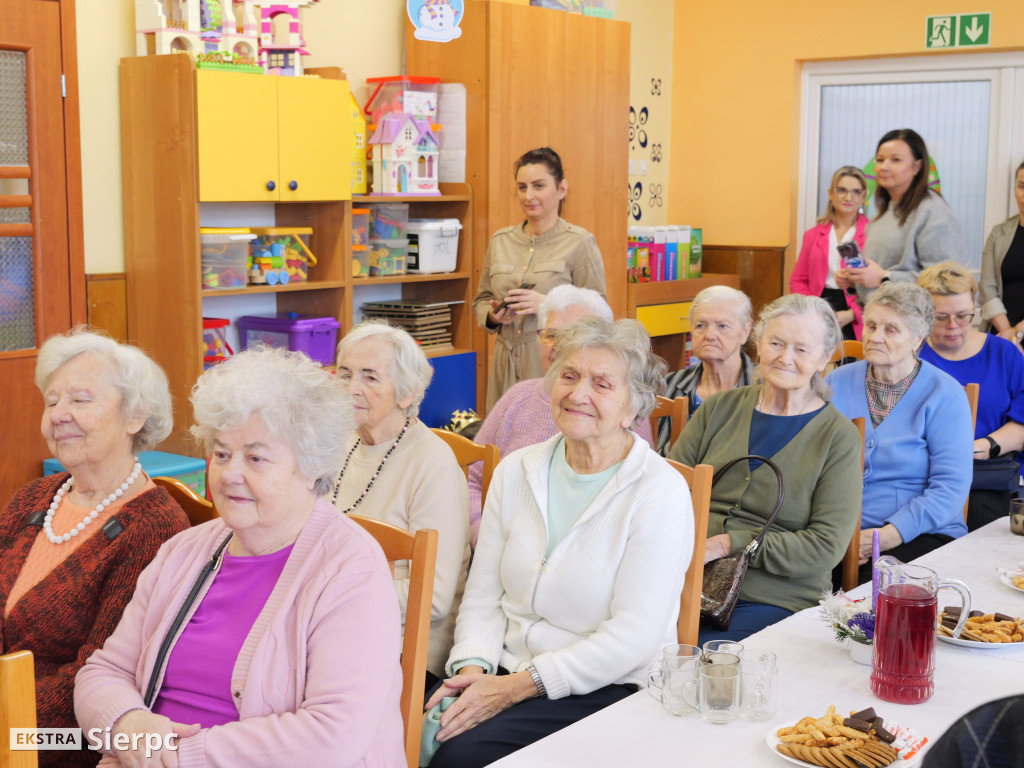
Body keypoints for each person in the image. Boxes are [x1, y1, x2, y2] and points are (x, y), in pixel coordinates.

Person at [74, 348, 405, 767]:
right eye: (222, 453)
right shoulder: (184, 551)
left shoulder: (351, 570)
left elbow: (331, 737)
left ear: (311, 468)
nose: (230, 473)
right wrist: (126, 726)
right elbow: (102, 671)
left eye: (256, 457)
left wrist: (176, 756)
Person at [425, 317, 692, 768]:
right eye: (569, 376)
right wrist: (472, 671)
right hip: (504, 666)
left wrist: (515, 686)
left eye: (602, 383)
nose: (577, 393)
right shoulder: (516, 469)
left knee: (461, 757)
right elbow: (484, 593)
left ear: (632, 408)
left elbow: (635, 637)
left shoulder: (658, 492)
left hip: (603, 684)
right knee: (402, 724)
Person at [0, 329, 188, 768]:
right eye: (51, 401)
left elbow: (98, 673)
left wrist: (10, 725)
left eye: (81, 400)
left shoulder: (153, 528)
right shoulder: (33, 497)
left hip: (72, 737)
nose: (59, 414)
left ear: (134, 416)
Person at [670, 294, 862, 643]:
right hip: (685, 575)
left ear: (824, 358)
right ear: (758, 342)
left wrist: (732, 543)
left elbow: (824, 547)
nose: (785, 357)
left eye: (802, 349)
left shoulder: (839, 438)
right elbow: (667, 488)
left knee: (695, 655)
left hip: (774, 596)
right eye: (776, 343)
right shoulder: (719, 408)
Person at [334, 320, 471, 691]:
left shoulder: (433, 465)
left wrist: (329, 595)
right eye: (344, 373)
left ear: (407, 393)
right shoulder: (341, 442)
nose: (350, 388)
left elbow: (435, 597)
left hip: (404, 648)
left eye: (369, 377)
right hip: (339, 626)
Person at [466, 285, 655, 545]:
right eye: (551, 335)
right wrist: (484, 537)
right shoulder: (517, 398)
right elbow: (472, 478)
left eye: (578, 336)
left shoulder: (623, 413)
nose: (561, 347)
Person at [828, 282, 973, 584]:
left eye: (891, 330)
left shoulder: (945, 395)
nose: (875, 336)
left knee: (878, 595)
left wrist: (886, 536)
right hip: (839, 532)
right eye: (871, 325)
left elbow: (950, 487)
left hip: (921, 532)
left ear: (917, 338)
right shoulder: (836, 383)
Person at [473, 147, 607, 410]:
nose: (529, 195)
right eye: (522, 187)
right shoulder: (500, 241)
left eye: (538, 185)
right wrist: (492, 316)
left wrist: (548, 304)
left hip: (552, 364)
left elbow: (600, 312)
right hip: (504, 362)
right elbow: (482, 300)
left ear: (561, 189)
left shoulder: (579, 243)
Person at [917, 262, 1024, 531]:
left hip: (987, 473)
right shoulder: (911, 356)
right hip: (921, 473)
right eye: (941, 317)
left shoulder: (1004, 353)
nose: (953, 325)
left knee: (981, 517)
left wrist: (983, 447)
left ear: (975, 308)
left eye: (963, 315)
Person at [838, 128, 967, 298]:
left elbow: (947, 278)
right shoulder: (883, 212)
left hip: (913, 319)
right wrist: (856, 280)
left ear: (916, 167)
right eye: (880, 159)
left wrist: (885, 278)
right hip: (878, 316)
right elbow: (876, 276)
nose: (884, 167)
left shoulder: (932, 210)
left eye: (896, 160)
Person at [658, 285, 755, 455]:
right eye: (700, 326)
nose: (709, 335)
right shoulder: (669, 384)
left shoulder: (762, 390)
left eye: (722, 326)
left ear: (745, 332)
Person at [790, 165, 870, 341]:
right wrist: (813, 310)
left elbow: (879, 288)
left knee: (852, 363)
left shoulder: (873, 234)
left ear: (864, 196)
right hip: (817, 306)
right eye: (842, 190)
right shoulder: (813, 235)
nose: (848, 197)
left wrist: (852, 314)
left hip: (856, 311)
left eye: (856, 192)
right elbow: (798, 280)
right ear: (831, 193)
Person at [979, 160, 1024, 344]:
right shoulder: (999, 234)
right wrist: (1007, 333)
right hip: (999, 334)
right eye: (1022, 186)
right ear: (1014, 189)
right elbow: (986, 288)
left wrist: (1017, 333)